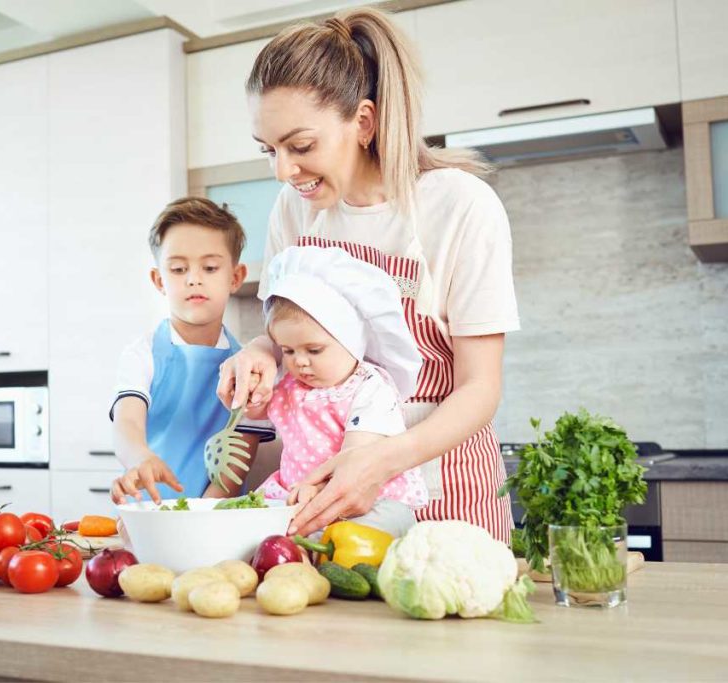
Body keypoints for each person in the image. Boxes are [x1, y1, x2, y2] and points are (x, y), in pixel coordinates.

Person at [218, 7, 519, 543]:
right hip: (324, 495)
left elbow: (480, 388)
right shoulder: (294, 209)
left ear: (363, 121)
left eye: (301, 146)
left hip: (442, 488)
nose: (284, 172)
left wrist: (380, 462)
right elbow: (282, 325)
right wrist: (260, 352)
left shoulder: (459, 206)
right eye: (269, 150)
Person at [251, 246, 427, 538]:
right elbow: (257, 413)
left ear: (352, 341)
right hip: (298, 497)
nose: (300, 361)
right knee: (247, 523)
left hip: (368, 501)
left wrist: (318, 490)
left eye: (314, 350)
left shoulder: (370, 388)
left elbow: (356, 455)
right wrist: (252, 394)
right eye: (288, 350)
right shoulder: (291, 386)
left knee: (371, 527)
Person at [109, 198, 274, 505]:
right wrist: (140, 457)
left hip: (212, 515)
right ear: (159, 280)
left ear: (235, 277)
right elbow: (127, 424)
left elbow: (235, 467)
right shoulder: (142, 354)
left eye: (210, 267)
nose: (193, 278)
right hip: (146, 513)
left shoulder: (249, 369)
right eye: (178, 269)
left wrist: (200, 514)